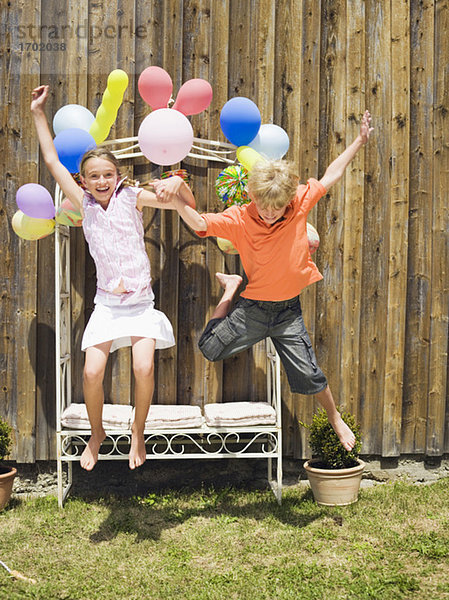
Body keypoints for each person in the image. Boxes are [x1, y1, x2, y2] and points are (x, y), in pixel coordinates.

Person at [155, 110, 373, 451]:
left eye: (278, 207)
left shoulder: (299, 202)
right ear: (252, 195)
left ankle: (335, 418)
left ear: (289, 198)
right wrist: (179, 204)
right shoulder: (239, 218)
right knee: (209, 348)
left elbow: (332, 174)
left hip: (288, 312)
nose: (271, 213)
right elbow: (199, 224)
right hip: (253, 309)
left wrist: (358, 142)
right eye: (264, 206)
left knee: (310, 375)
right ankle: (231, 288)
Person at [31, 85, 195, 471]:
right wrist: (39, 113)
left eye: (108, 174)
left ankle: (137, 431)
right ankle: (98, 432)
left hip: (139, 304)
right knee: (91, 371)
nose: (102, 181)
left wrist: (179, 183)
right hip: (107, 304)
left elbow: (183, 203)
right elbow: (53, 161)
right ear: (83, 181)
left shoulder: (132, 196)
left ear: (117, 175)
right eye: (94, 176)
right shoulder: (84, 204)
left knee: (144, 368)